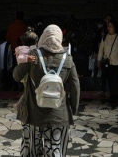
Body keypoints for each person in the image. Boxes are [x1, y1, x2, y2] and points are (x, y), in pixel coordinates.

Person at [13, 25, 80, 157]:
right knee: (55, 150)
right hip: (58, 114)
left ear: (44, 37)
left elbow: (16, 76)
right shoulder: (68, 58)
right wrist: (73, 108)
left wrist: (24, 61)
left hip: (33, 114)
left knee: (31, 151)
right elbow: (75, 86)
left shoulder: (33, 55)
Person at [97, 18, 118, 109]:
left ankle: (116, 99)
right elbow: (101, 49)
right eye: (108, 26)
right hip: (108, 64)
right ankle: (112, 99)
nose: (109, 28)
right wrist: (98, 60)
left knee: (116, 83)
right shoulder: (105, 37)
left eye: (110, 26)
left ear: (115, 27)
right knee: (110, 82)